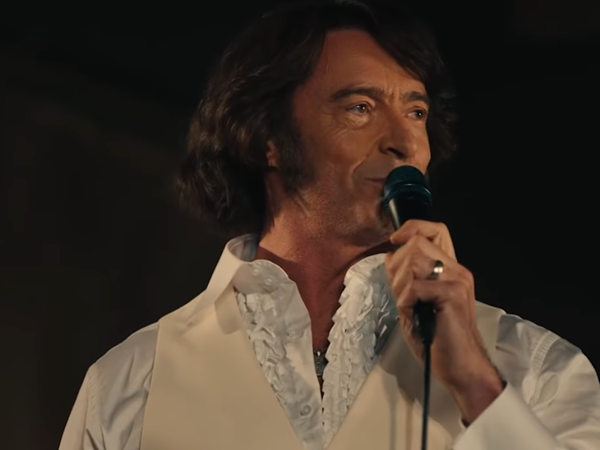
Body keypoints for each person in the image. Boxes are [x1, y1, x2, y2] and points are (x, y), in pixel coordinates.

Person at [58, 1, 600, 449]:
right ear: (265, 139)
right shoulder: (131, 383)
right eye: (360, 107)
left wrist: (475, 384)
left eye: (416, 112)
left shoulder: (539, 370)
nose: (405, 143)